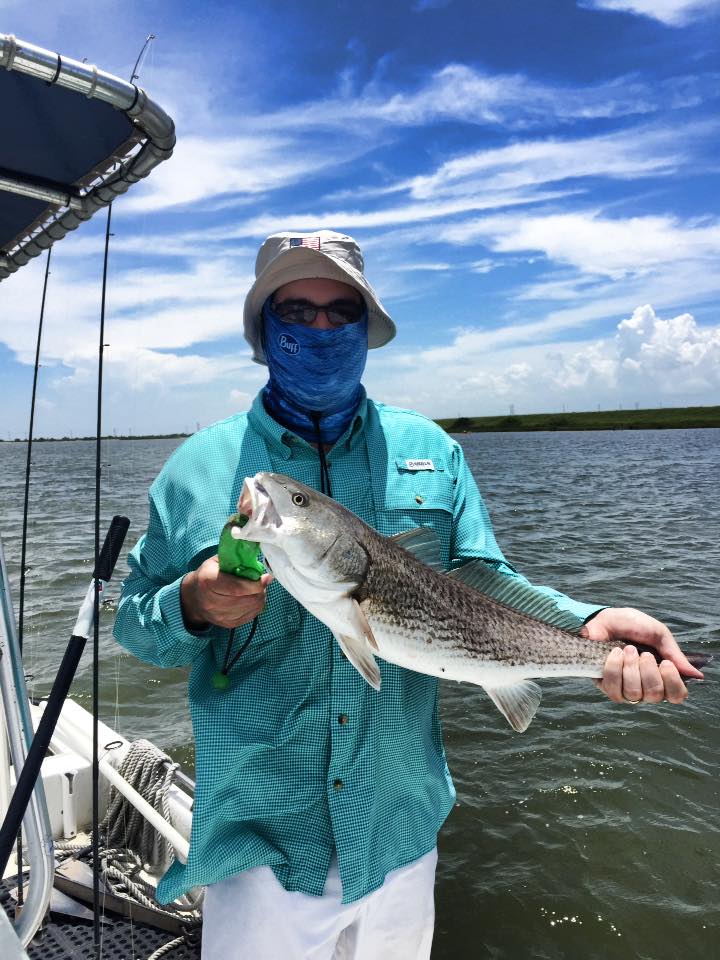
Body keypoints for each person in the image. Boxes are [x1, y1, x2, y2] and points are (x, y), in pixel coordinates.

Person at [114, 230, 702, 959]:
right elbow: (134, 626)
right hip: (263, 845)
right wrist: (192, 604)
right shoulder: (196, 468)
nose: (320, 327)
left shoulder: (431, 448)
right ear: (262, 329)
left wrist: (591, 625)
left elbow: (488, 585)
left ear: (368, 329)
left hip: (401, 832)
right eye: (296, 310)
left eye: (341, 312)